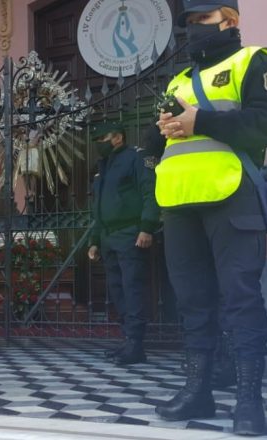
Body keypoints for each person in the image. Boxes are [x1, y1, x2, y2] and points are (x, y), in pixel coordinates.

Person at [152, 0, 267, 435]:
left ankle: (249, 399)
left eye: (203, 21)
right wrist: (167, 129)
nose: (194, 30)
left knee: (240, 298)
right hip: (178, 201)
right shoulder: (179, 79)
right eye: (189, 23)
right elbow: (171, 142)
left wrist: (200, 121)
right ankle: (199, 389)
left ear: (230, 21)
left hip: (232, 196)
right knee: (191, 303)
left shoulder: (254, 59)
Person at [87, 121, 160, 365]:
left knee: (133, 289)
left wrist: (147, 227)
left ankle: (137, 344)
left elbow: (150, 192)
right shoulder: (103, 168)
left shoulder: (136, 159)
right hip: (108, 237)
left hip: (131, 234)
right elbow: (98, 209)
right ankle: (129, 339)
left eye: (102, 138)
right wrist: (95, 240)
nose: (99, 144)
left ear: (117, 138)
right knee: (118, 290)